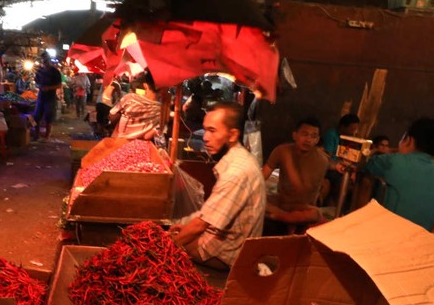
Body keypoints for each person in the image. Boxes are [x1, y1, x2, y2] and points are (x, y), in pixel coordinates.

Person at [170, 102, 266, 269]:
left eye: (212, 131)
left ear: (233, 135)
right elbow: (208, 216)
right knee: (176, 232)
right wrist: (186, 226)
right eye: (205, 129)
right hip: (224, 242)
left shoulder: (236, 172)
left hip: (227, 254)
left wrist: (164, 248)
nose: (205, 137)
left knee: (168, 245)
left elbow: (201, 225)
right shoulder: (239, 158)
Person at [364, 117, 434, 233]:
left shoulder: (391, 161)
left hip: (382, 235)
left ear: (408, 140)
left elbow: (364, 164)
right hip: (416, 241)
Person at [262, 117, 328, 227]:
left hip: (303, 207)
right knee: (256, 201)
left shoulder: (321, 160)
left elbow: (302, 192)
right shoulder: (281, 150)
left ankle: (281, 217)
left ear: (317, 140)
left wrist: (288, 161)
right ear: (295, 135)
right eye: (304, 134)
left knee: (314, 214)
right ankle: (286, 217)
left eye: (313, 136)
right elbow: (263, 175)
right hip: (281, 202)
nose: (308, 140)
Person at [109, 70, 161, 140]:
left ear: (145, 85)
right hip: (140, 145)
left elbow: (111, 117)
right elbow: (147, 136)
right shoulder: (160, 110)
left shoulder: (130, 98)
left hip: (119, 142)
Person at [320, 113, 360, 205]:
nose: (353, 132)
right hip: (330, 167)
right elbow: (327, 157)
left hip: (340, 165)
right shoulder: (331, 134)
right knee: (343, 180)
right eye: (351, 129)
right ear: (342, 126)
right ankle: (335, 205)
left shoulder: (347, 138)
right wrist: (340, 164)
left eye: (355, 129)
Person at [32, 52, 62, 141]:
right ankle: (36, 134)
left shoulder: (55, 71)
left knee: (49, 116)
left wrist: (49, 88)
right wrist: (39, 87)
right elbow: (36, 83)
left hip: (51, 97)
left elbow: (59, 85)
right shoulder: (39, 71)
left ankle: (47, 136)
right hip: (41, 96)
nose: (44, 63)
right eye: (43, 61)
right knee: (36, 116)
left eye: (46, 61)